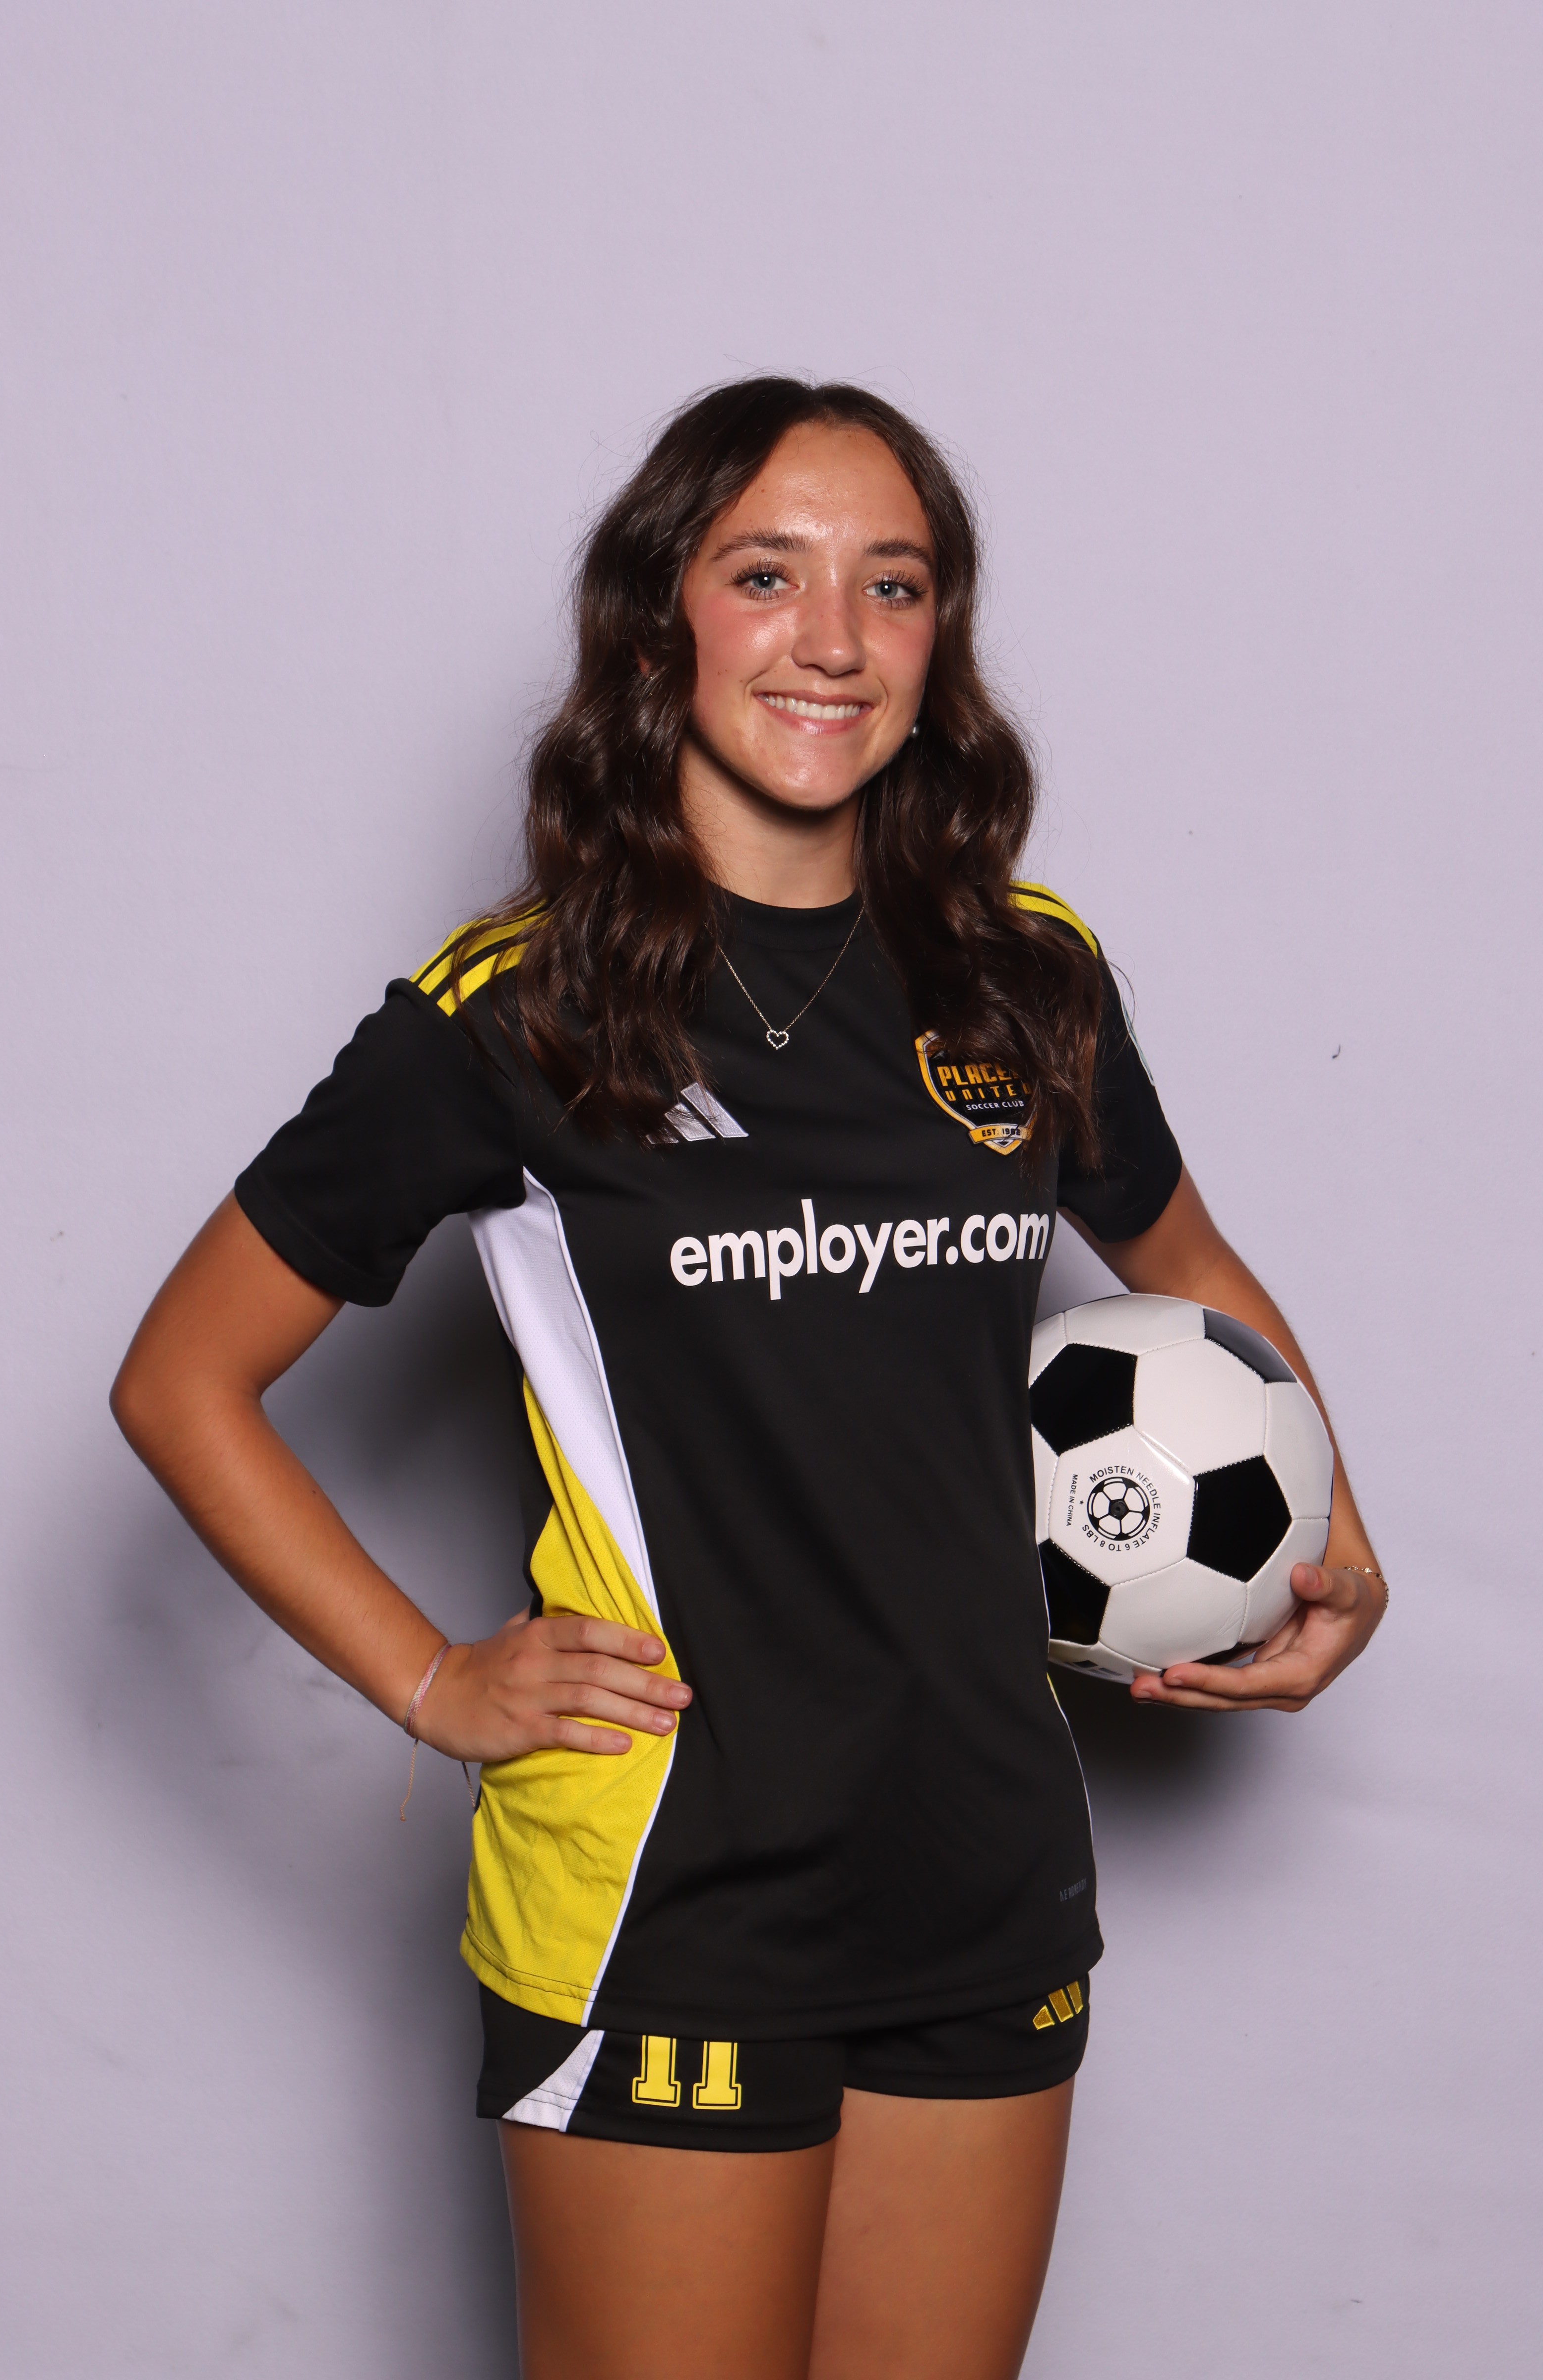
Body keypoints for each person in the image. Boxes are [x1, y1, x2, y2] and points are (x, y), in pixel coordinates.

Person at [112, 378, 1386, 2380]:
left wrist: (1328, 1546)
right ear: (659, 624)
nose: (834, 638)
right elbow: (182, 1380)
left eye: (895, 585)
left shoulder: (1024, 979)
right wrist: (431, 1680)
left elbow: (1190, 1264)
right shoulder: (516, 1013)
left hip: (983, 1861)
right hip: (667, 1883)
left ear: (939, 647)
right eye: (767, 575)